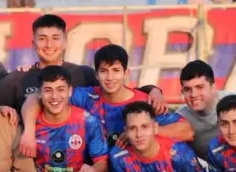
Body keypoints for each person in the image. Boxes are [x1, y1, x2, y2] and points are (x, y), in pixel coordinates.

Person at [21, 45, 189, 152]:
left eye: (116, 70)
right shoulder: (86, 96)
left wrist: (144, 132)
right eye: (104, 71)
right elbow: (36, 98)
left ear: (126, 73)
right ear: (96, 74)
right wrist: (28, 132)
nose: (110, 77)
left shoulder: (146, 102)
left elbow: (187, 130)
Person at [0, 14, 97, 113]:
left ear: (65, 42)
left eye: (55, 38)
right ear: (33, 44)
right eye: (42, 39)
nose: (49, 45)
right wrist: (0, 109)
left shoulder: (85, 74)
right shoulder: (15, 80)